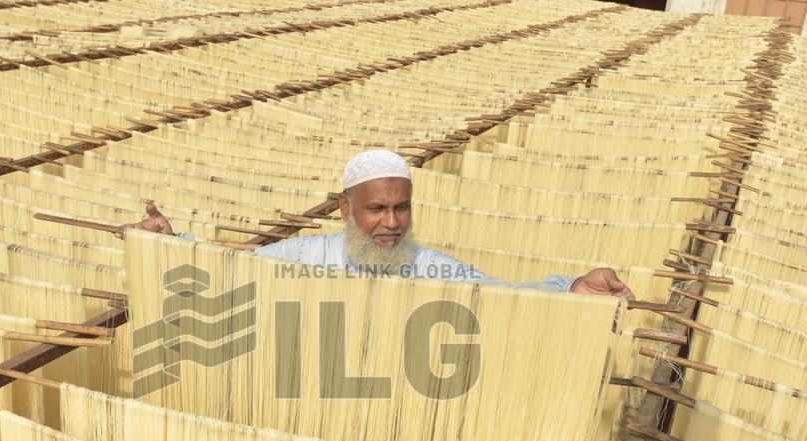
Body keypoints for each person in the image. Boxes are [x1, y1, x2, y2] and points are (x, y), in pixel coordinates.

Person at [116, 149, 635, 299]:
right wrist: (173, 243)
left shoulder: (433, 269)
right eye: (376, 209)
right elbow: (228, 268)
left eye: (401, 208)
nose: (392, 222)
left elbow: (504, 296)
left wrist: (570, 289)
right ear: (345, 210)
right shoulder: (302, 256)